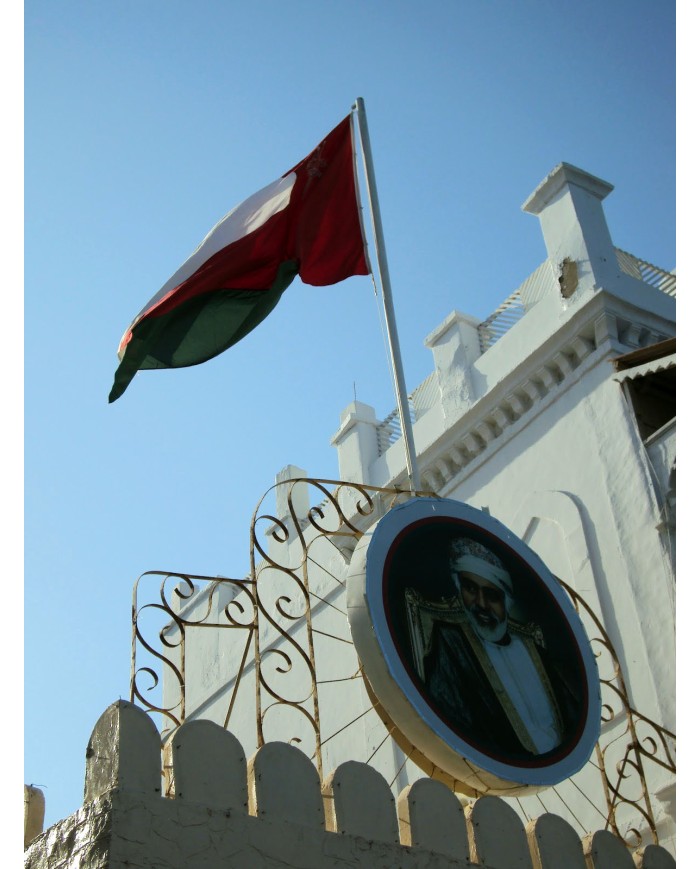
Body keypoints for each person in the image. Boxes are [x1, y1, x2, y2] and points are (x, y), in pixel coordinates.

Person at [417, 538, 581, 759]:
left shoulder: (531, 648)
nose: (481, 604)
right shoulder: (450, 643)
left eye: (492, 595)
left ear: (507, 601)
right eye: (470, 589)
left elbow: (569, 715)